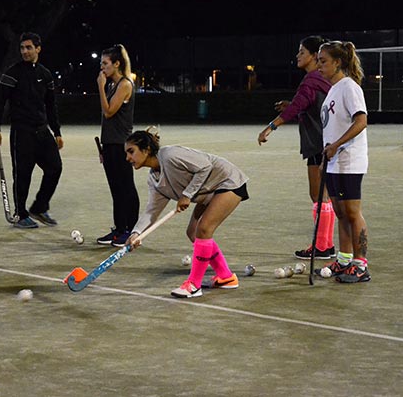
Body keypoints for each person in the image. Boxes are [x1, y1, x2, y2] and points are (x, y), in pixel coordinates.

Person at [124, 128, 249, 298]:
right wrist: (136, 233)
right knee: (193, 232)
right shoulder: (154, 179)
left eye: (131, 151)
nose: (128, 158)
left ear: (146, 149)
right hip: (207, 191)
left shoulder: (170, 155)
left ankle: (194, 285)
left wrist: (187, 194)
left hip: (227, 181)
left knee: (203, 229)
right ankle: (226, 277)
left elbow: (205, 166)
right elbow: (151, 212)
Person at [257, 35, 336, 260]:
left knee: (317, 195)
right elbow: (309, 105)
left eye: (302, 52)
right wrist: (292, 104)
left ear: (313, 56)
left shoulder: (311, 79)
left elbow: (298, 107)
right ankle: (326, 245)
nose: (297, 56)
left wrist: (270, 127)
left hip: (317, 143)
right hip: (327, 141)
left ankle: (321, 246)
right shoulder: (324, 80)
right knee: (325, 196)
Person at [0, 32, 63, 228]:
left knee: (55, 167)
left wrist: (56, 132)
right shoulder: (12, 72)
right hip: (21, 132)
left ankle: (39, 207)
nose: (25, 51)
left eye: (29, 47)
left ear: (38, 49)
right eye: (22, 48)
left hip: (42, 130)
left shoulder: (45, 74)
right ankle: (21, 214)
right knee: (22, 174)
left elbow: (51, 105)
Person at [314, 41, 370, 283]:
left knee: (352, 212)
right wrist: (326, 154)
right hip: (334, 161)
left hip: (350, 160)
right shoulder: (332, 90)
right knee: (339, 212)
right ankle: (345, 258)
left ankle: (360, 264)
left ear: (338, 62)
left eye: (323, 61)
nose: (319, 66)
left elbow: (361, 121)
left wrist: (336, 146)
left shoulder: (349, 87)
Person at [95, 44, 140, 246]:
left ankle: (132, 230)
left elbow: (109, 112)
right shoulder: (113, 85)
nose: (102, 67)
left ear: (117, 64)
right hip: (110, 144)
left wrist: (100, 87)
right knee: (115, 188)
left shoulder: (124, 84)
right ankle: (119, 228)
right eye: (101, 63)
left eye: (105, 63)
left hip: (121, 144)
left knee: (126, 187)